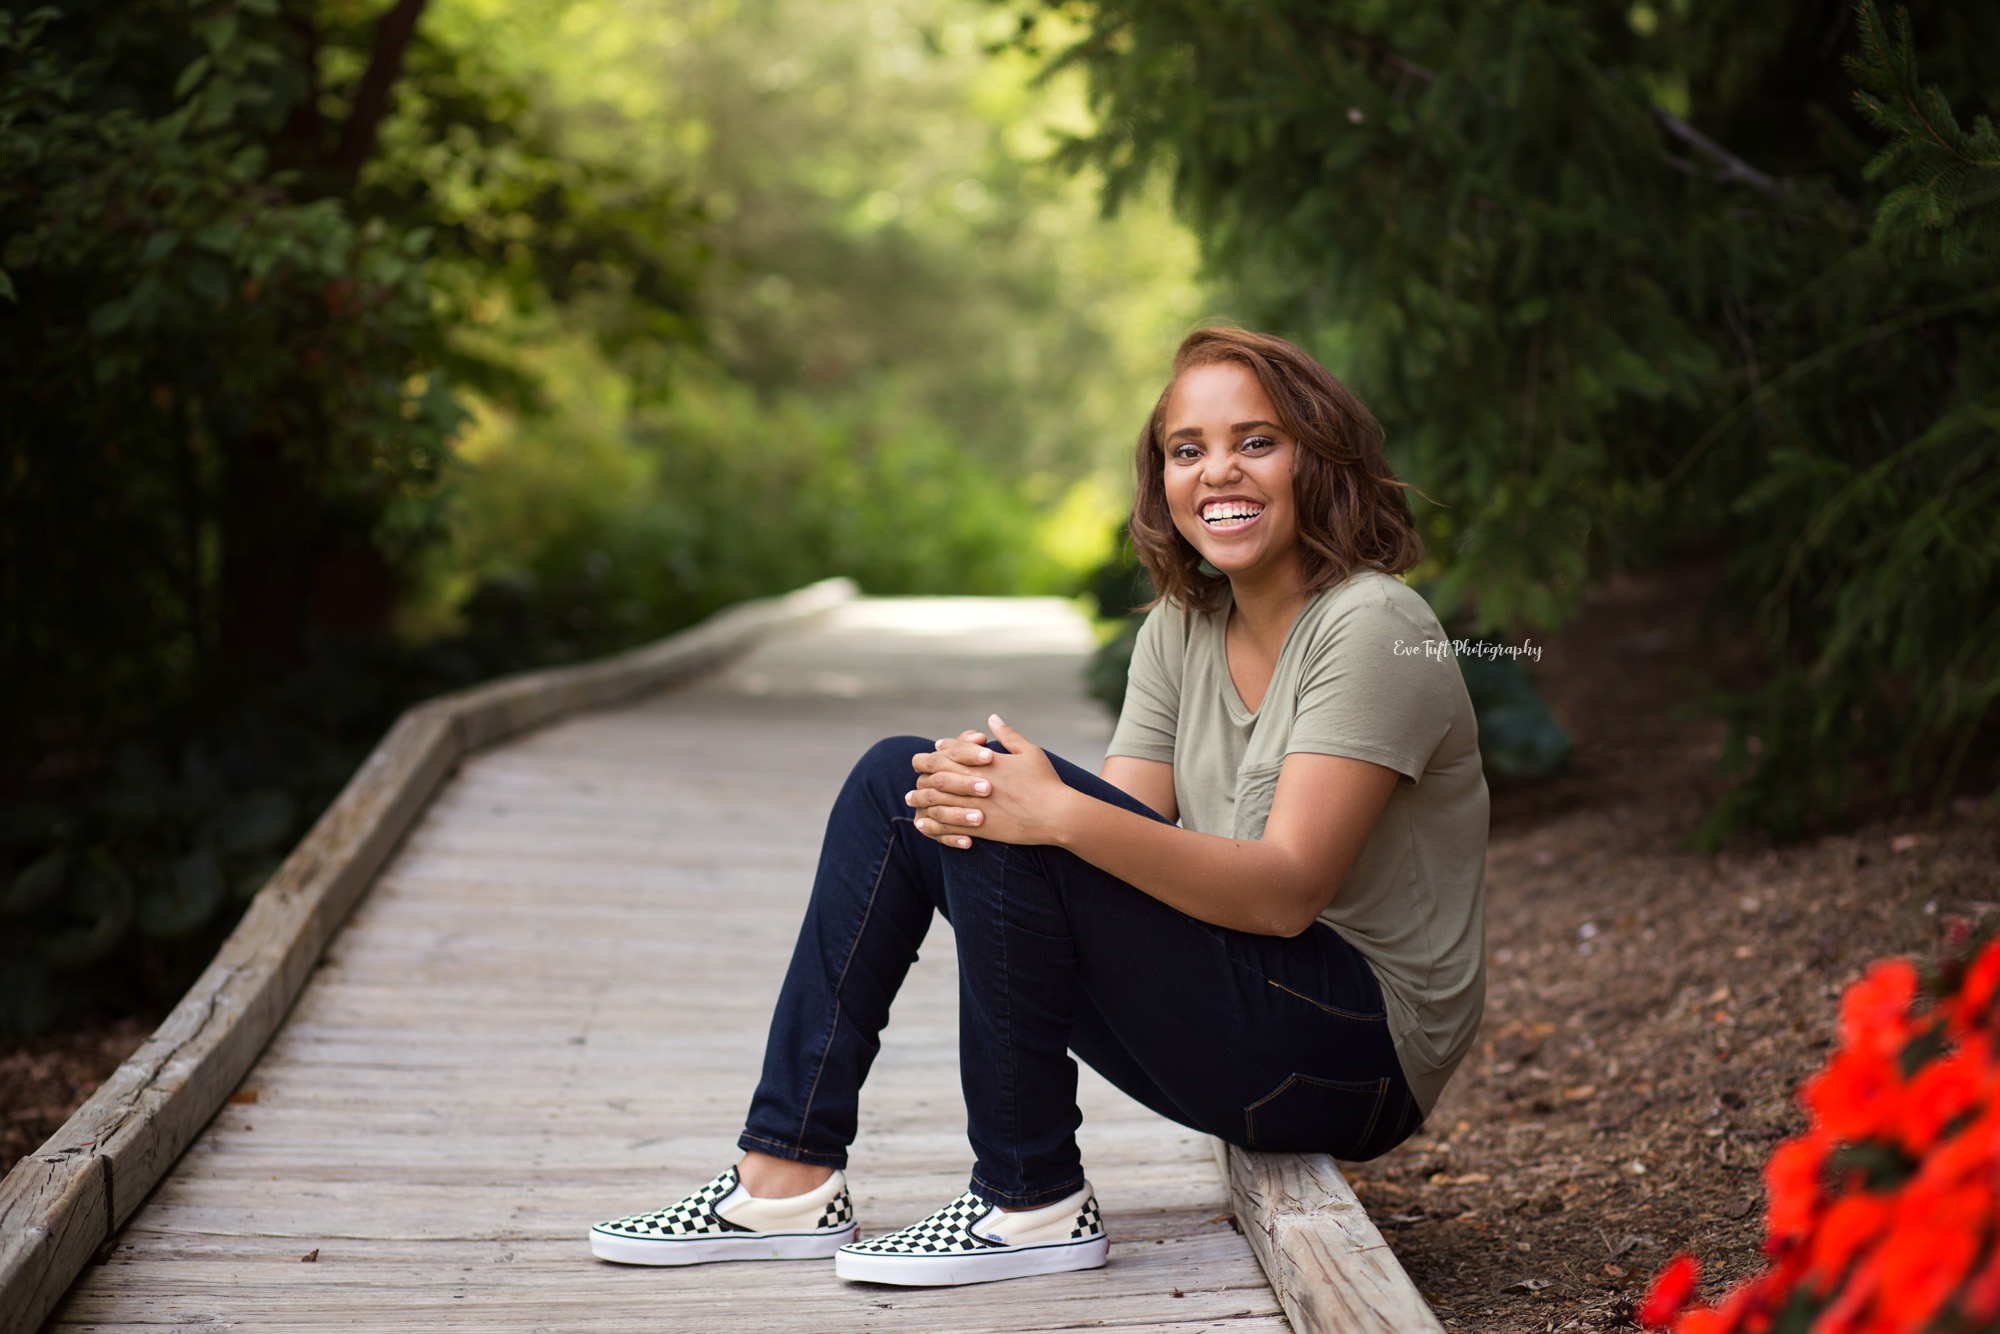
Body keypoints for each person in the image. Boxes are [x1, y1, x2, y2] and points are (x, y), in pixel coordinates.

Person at [588, 326, 1488, 1287]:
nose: (1219, 471)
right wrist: (1027, 808)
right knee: (909, 782)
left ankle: (1031, 1201)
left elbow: (1283, 894)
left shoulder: (1377, 627)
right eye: (1188, 450)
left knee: (1024, 807)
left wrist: (1048, 811)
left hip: (1356, 1054)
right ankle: (785, 1178)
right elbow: (1102, 849)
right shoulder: (1183, 630)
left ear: (1323, 458)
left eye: (1257, 441)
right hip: (1248, 1017)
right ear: (1163, 481)